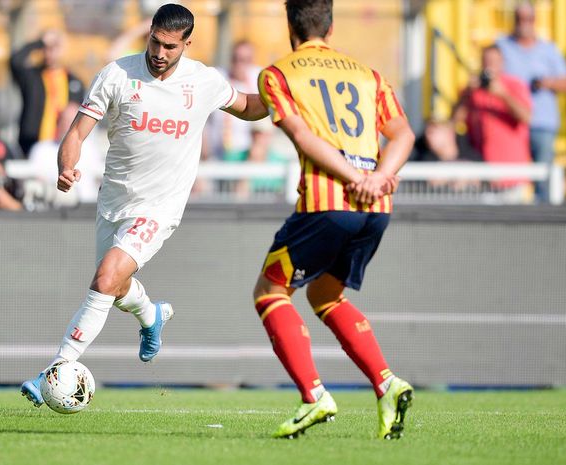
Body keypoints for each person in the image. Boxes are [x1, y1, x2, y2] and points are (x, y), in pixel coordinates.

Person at [20, 4, 268, 407]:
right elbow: (77, 132)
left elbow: (248, 106)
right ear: (148, 34)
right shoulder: (118, 73)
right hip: (113, 201)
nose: (160, 53)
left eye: (170, 46)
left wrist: (283, 96)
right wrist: (67, 166)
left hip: (160, 207)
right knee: (114, 288)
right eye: (155, 41)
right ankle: (151, 315)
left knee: (104, 279)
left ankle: (58, 366)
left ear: (187, 43)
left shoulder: (202, 81)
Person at [252, 0, 415, 440]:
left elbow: (303, 136)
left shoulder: (278, 73)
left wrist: (355, 178)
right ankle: (386, 383)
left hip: (330, 203)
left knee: (270, 291)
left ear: (291, 25)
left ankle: (313, 396)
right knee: (326, 294)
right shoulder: (368, 74)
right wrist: (380, 176)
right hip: (376, 209)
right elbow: (403, 133)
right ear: (330, 24)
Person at [496, 2, 566, 201]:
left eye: (528, 19)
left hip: (541, 123)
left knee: (543, 176)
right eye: (519, 19)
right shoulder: (502, 46)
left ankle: (544, 221)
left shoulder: (549, 50)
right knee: (509, 177)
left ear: (535, 21)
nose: (524, 23)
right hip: (511, 124)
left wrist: (548, 82)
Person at [203, 40, 274, 196]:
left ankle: (242, 188)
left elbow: (264, 132)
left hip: (246, 156)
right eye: (236, 59)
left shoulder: (258, 79)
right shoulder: (219, 77)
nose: (239, 64)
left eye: (245, 60)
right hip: (216, 155)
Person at [10, 29, 85, 157]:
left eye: (55, 47)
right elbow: (15, 61)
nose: (50, 52)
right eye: (46, 47)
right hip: (32, 144)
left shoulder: (74, 82)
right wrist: (39, 42)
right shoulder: (32, 76)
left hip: (62, 146)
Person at [453, 45, 532, 166]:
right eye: (486, 61)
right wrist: (467, 94)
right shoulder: (473, 90)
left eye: (494, 61)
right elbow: (454, 120)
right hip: (481, 164)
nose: (490, 65)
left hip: (511, 165)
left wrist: (503, 95)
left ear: (502, 63)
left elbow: (526, 117)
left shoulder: (514, 85)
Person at [28, 102, 106, 204]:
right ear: (57, 122)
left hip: (88, 207)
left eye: (72, 121)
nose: (67, 125)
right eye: (64, 121)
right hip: (52, 208)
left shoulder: (91, 149)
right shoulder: (41, 149)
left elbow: (100, 177)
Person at [411, 118, 482, 163]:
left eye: (433, 130)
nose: (428, 135)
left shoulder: (473, 157)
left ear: (450, 132)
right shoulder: (422, 159)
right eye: (427, 130)